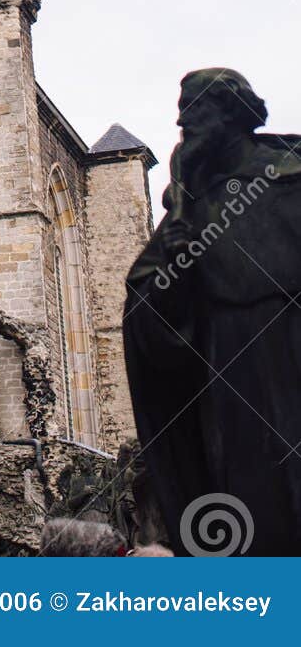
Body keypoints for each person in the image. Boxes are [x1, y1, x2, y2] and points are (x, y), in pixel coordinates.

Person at [124, 68, 301, 556]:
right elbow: (147, 301)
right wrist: (172, 275)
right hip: (232, 378)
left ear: (231, 111)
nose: (184, 119)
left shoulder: (288, 175)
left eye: (195, 107)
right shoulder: (192, 202)